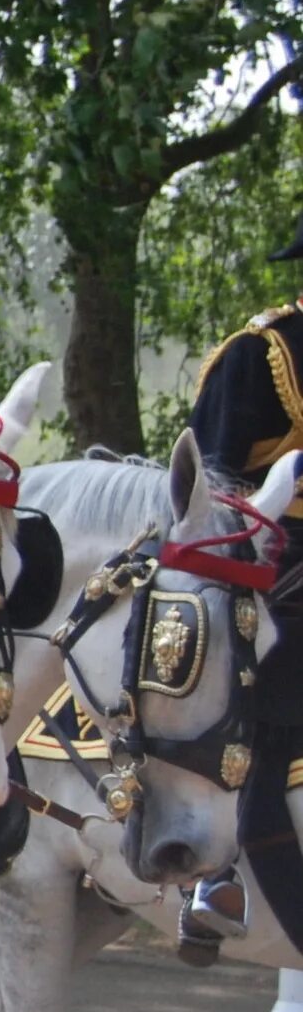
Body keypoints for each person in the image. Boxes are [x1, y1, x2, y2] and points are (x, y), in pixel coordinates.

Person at [177, 214, 303, 956]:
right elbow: (212, 483)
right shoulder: (265, 354)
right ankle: (216, 868)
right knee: (265, 683)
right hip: (277, 554)